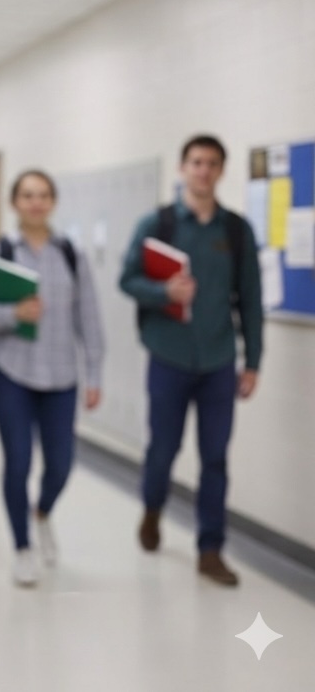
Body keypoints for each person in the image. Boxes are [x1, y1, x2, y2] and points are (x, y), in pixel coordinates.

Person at [118, 134, 263, 587]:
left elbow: (251, 300)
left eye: (212, 163)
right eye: (196, 162)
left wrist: (253, 361)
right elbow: (127, 279)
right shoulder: (157, 224)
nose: (204, 170)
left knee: (215, 458)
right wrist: (164, 291)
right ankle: (152, 508)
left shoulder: (235, 231)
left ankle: (210, 549)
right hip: (169, 356)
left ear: (221, 171)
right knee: (163, 449)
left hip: (218, 361)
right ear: (183, 168)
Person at [0, 169, 105, 587]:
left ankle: (41, 512)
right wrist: (12, 314)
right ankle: (22, 547)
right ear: (15, 203)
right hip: (10, 371)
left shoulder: (71, 253)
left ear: (53, 201)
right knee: (18, 461)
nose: (36, 202)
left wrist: (94, 373)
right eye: (27, 195)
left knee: (61, 464)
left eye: (43, 195)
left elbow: (89, 317)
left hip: (61, 374)